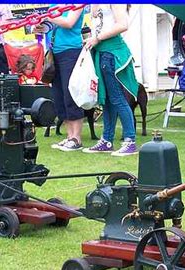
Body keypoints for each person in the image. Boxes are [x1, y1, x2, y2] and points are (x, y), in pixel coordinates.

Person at [83, 4, 138, 156]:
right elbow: (96, 17)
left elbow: (122, 24)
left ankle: (130, 140)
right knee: (107, 99)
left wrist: (97, 38)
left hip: (111, 52)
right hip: (102, 51)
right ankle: (107, 140)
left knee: (117, 98)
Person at [44, 4, 86, 152]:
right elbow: (50, 27)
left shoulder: (77, 4)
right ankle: (69, 136)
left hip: (71, 51)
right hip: (54, 52)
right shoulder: (52, 4)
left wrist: (47, 16)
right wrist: (40, 28)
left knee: (71, 94)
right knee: (59, 95)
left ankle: (77, 138)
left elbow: (69, 23)